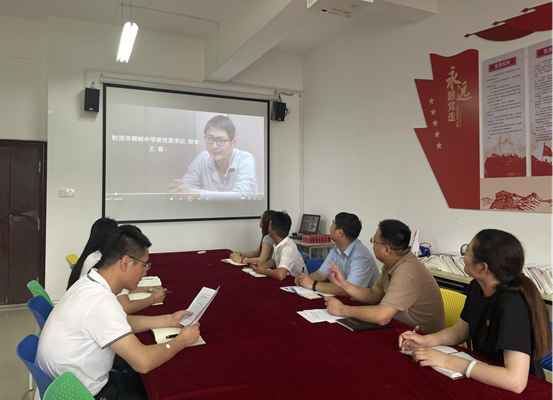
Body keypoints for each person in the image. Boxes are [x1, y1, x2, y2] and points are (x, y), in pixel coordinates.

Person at [37, 226, 200, 399]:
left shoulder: (88, 282)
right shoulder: (100, 302)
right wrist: (182, 340)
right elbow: (143, 362)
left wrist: (168, 320)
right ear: (125, 263)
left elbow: (122, 321)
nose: (145, 272)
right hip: (85, 393)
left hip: (72, 382)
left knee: (142, 382)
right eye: (144, 265)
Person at [399, 229, 553, 393]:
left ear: (483, 267)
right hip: (484, 374)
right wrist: (425, 340)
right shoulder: (476, 287)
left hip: (519, 390)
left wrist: (448, 361)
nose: (463, 256)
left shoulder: (512, 305)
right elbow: (459, 331)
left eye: (467, 252)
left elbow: (515, 381)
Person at [325, 219, 445, 334]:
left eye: (374, 241)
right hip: (399, 327)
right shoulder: (392, 263)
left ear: (386, 250)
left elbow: (381, 316)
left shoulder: (406, 273)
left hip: (421, 337)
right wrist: (343, 284)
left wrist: (342, 309)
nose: (373, 245)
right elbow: (374, 295)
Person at [67, 219, 166, 314]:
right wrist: (152, 299)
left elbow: (123, 290)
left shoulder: (93, 257)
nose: (144, 273)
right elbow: (126, 307)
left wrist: (149, 289)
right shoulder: (102, 264)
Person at [168, 115, 257, 200]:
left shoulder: (245, 159)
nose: (214, 146)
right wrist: (179, 188)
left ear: (233, 143)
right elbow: (186, 189)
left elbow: (241, 196)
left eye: (220, 140)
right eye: (209, 138)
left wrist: (197, 194)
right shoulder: (203, 158)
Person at [295, 212, 379, 296]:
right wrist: (304, 279)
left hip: (357, 302)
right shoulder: (336, 249)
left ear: (339, 232)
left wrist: (313, 284)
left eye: (333, 224)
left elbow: (348, 291)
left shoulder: (361, 257)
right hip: (339, 297)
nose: (330, 227)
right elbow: (320, 274)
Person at [251, 212, 305, 280]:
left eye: (269, 226)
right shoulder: (279, 243)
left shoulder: (288, 248)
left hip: (296, 282)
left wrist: (263, 271)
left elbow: (280, 275)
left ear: (273, 233)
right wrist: (262, 265)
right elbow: (275, 261)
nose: (268, 228)